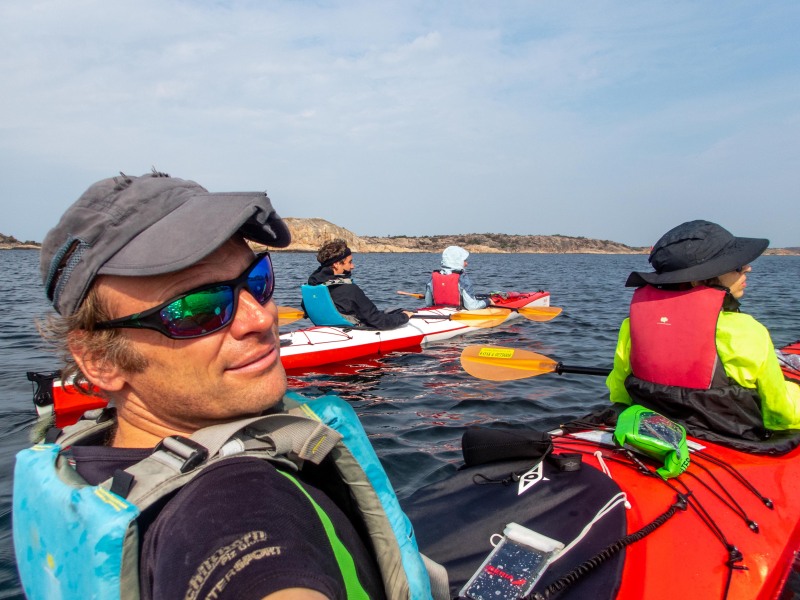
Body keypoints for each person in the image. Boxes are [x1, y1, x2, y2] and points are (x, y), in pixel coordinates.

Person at [14, 171, 437, 600]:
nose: (262, 317)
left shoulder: (91, 461)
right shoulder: (237, 498)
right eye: (198, 307)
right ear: (100, 361)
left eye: (258, 281)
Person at [606, 219, 800, 442]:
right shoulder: (747, 331)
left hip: (656, 432)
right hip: (732, 441)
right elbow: (780, 414)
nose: (747, 268)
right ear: (702, 278)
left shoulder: (631, 325)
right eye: (737, 266)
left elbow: (619, 392)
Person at [305, 238, 413, 329]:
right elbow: (378, 320)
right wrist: (404, 317)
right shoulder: (349, 290)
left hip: (327, 329)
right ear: (337, 264)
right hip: (352, 331)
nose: (353, 266)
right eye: (350, 262)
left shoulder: (312, 286)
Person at [424, 246, 490, 310]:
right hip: (458, 312)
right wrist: (487, 301)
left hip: (438, 311)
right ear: (457, 261)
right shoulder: (462, 278)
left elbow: (428, 304)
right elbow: (472, 306)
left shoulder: (432, 277)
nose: (466, 264)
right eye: (464, 260)